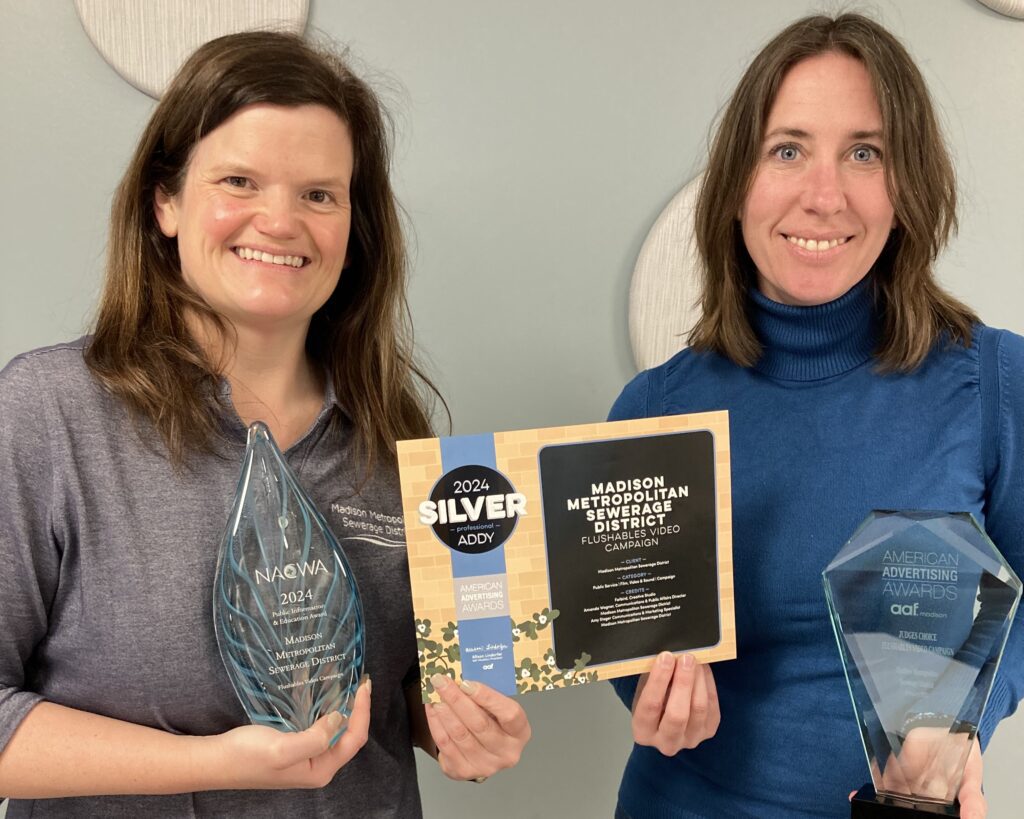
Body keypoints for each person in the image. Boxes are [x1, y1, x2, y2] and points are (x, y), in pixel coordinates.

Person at [0, 31, 529, 817]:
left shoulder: (399, 434)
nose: (280, 221)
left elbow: (404, 694)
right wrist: (211, 761)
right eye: (239, 180)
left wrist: (465, 732)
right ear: (165, 202)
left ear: (356, 228)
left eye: (320, 194)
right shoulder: (49, 412)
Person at [609, 13, 1023, 819]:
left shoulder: (995, 381)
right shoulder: (654, 412)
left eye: (865, 152)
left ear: (906, 190)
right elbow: (629, 646)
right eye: (787, 149)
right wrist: (648, 695)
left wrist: (972, 714)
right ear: (736, 185)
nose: (824, 194)